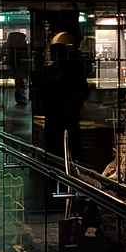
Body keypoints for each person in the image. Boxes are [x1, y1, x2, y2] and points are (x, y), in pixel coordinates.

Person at [40, 31, 89, 160]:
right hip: (64, 113)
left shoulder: (68, 68)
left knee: (67, 143)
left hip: (62, 113)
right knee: (68, 143)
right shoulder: (70, 68)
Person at [6, 31, 29, 106]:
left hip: (17, 66)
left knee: (19, 82)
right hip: (19, 67)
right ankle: (20, 97)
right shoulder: (21, 47)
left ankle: (20, 97)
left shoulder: (12, 47)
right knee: (20, 82)